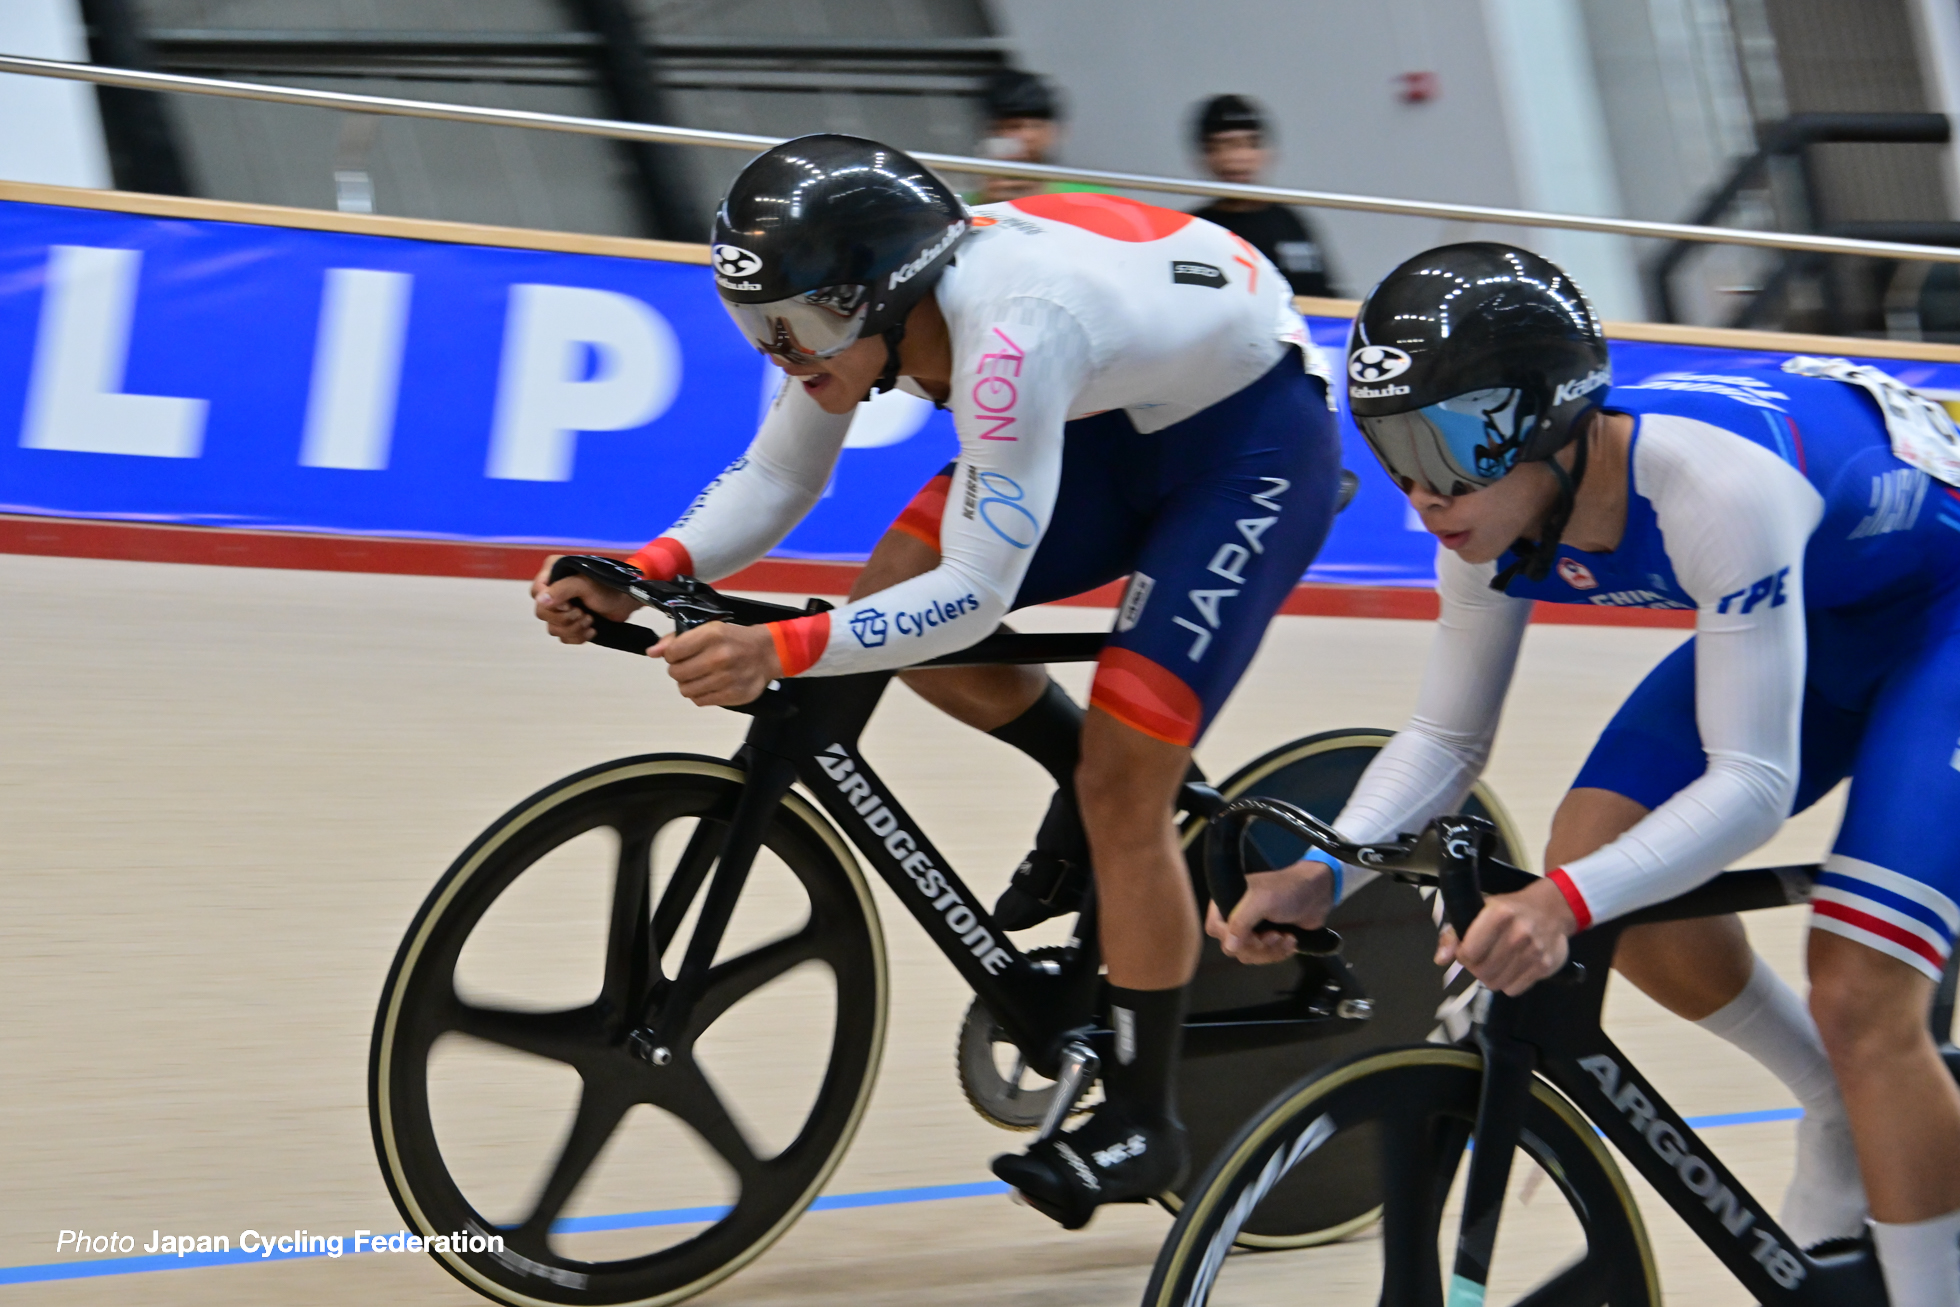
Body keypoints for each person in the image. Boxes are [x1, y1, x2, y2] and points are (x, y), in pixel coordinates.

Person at [532, 134, 1342, 1230]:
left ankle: (1148, 1112)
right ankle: (1087, 790)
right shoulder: (861, 317)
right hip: (1118, 411)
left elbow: (969, 598)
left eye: (803, 329)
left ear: (884, 298)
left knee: (1112, 770)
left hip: (1248, 442)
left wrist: (779, 649)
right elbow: (779, 473)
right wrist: (647, 568)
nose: (786, 355)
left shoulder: (1009, 340)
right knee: (886, 600)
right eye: (761, 328)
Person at [1214, 240, 1960, 1304]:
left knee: (1860, 989)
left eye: (1449, 439)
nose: (1423, 489)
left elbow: (1752, 778)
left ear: (1546, 417)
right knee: (1592, 850)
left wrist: (1558, 907)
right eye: (1392, 446)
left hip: (1948, 615)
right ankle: (1831, 1094)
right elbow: (1444, 738)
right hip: (1832, 610)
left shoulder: (1713, 488)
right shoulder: (1487, 514)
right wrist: (1326, 869)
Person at [1188, 94, 1336, 298]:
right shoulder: (1193, 231)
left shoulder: (1290, 222)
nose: (1237, 158)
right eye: (1223, 146)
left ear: (1267, 153)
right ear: (1205, 156)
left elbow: (1327, 300)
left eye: (1249, 144)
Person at [966, 68, 1110, 206]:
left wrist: (1039, 204)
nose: (1026, 136)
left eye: (1035, 126)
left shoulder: (1092, 197)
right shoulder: (968, 204)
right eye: (1012, 127)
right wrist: (988, 207)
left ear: (1057, 131)